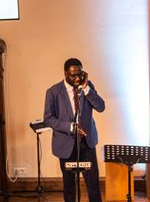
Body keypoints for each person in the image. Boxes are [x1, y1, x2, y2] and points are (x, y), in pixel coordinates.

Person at [44, 58, 105, 202]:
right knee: (69, 187)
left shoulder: (87, 86)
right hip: (66, 144)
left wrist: (86, 88)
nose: (77, 78)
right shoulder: (53, 92)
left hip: (87, 143)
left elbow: (101, 107)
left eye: (80, 74)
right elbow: (48, 119)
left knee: (93, 186)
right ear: (65, 74)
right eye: (73, 75)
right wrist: (71, 127)